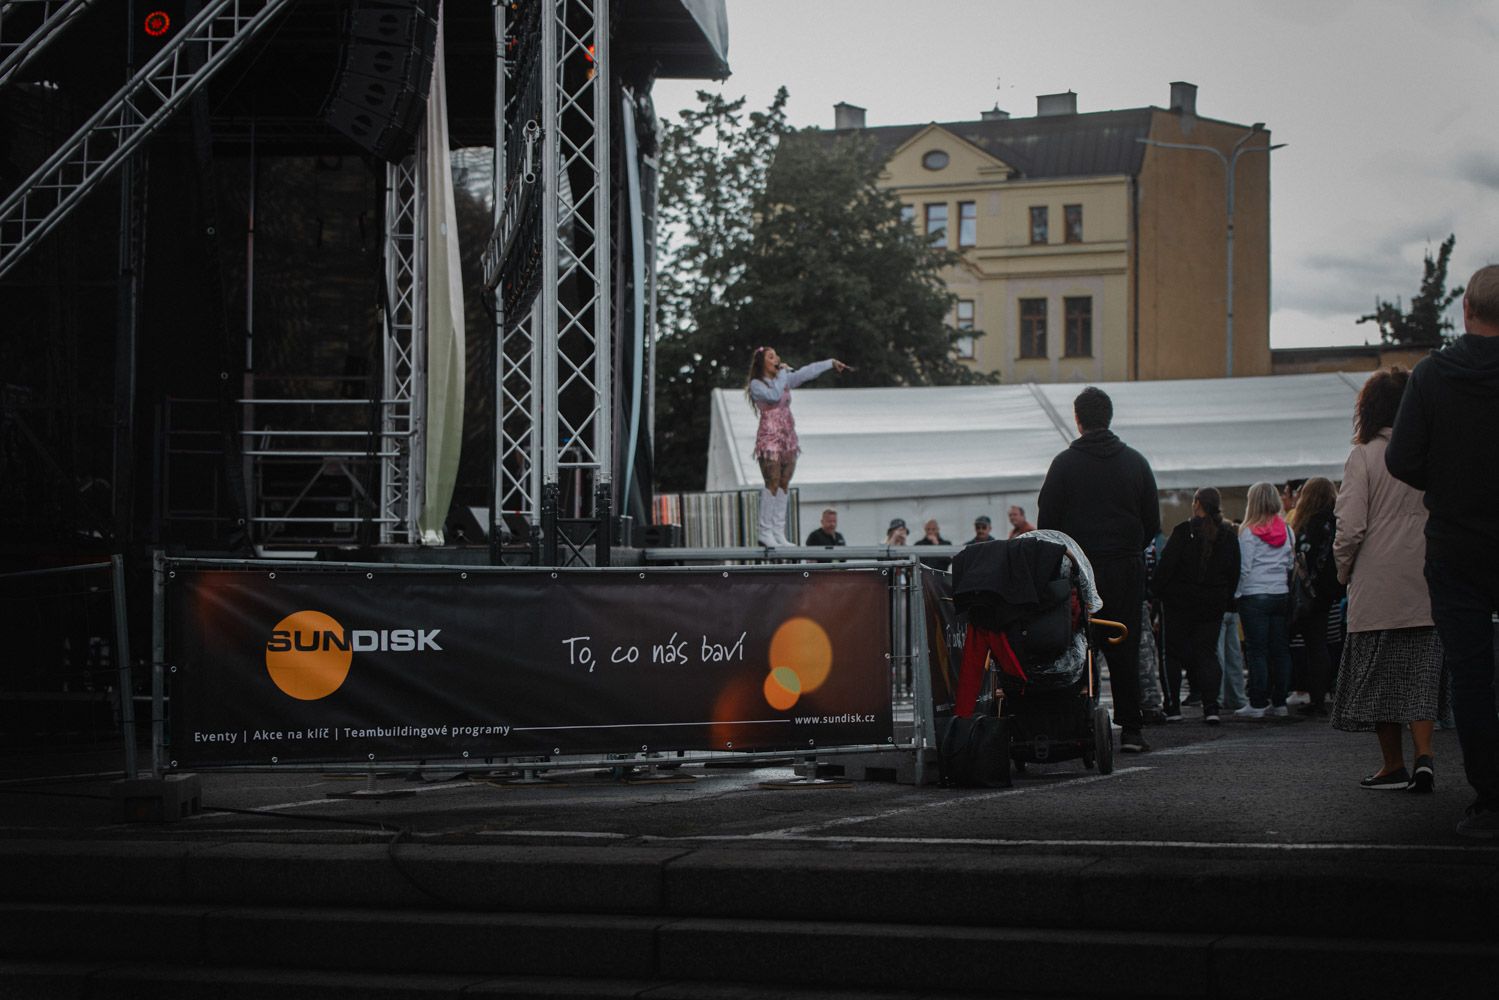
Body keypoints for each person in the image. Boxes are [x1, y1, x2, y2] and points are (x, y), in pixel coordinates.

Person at [1386, 265, 1499, 836]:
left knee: (1471, 675)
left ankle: (1491, 800)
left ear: (1466, 311)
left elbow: (1401, 458)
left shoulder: (1432, 374)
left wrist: (1450, 480)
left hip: (1456, 542)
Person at [1332, 367, 1443, 792]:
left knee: (1379, 678)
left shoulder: (1363, 456)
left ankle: (1392, 765)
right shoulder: (1432, 452)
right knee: (1420, 676)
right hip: (1426, 581)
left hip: (1377, 585)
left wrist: (1343, 570)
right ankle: (1425, 756)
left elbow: (1350, 526)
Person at [1037, 386, 1160, 753]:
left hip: (1080, 570)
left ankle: (1080, 725)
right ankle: (1132, 729)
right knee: (1125, 645)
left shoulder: (1063, 464)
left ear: (1078, 420)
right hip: (1125, 567)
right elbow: (1152, 522)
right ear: (1109, 417)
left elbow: (1047, 525)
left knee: (1078, 645)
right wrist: (1129, 548)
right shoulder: (1136, 463)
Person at [1152, 487, 1241, 725]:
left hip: (1178, 603)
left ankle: (1172, 707)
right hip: (1212, 603)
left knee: (1171, 655)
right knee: (1207, 654)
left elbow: (1166, 567)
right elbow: (1234, 571)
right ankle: (1211, 707)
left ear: (1197, 504)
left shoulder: (1183, 532)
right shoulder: (1228, 535)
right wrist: (1226, 599)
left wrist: (1156, 593)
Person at [745, 347, 849, 546]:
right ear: (762, 363)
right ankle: (764, 531)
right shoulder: (757, 384)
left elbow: (806, 372)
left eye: (776, 355)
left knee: (784, 482)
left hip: (787, 435)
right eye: (771, 357)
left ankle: (778, 531)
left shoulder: (782, 378)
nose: (776, 359)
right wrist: (783, 374)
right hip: (770, 435)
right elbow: (774, 396)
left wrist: (829, 363)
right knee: (772, 480)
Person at [1232, 482, 1295, 719]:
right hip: (1281, 594)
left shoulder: (1248, 532)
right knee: (1280, 650)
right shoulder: (1287, 530)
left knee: (1257, 650)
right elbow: (1290, 563)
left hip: (1254, 595)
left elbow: (1244, 568)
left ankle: (1257, 702)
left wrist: (1237, 594)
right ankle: (1280, 702)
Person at [1287, 477, 1342, 716]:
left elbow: (1302, 558)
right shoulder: (1336, 521)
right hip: (1329, 591)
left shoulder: (1309, 523)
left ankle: (1315, 698)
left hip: (1308, 593)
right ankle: (1321, 696)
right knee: (1321, 643)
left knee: (1312, 644)